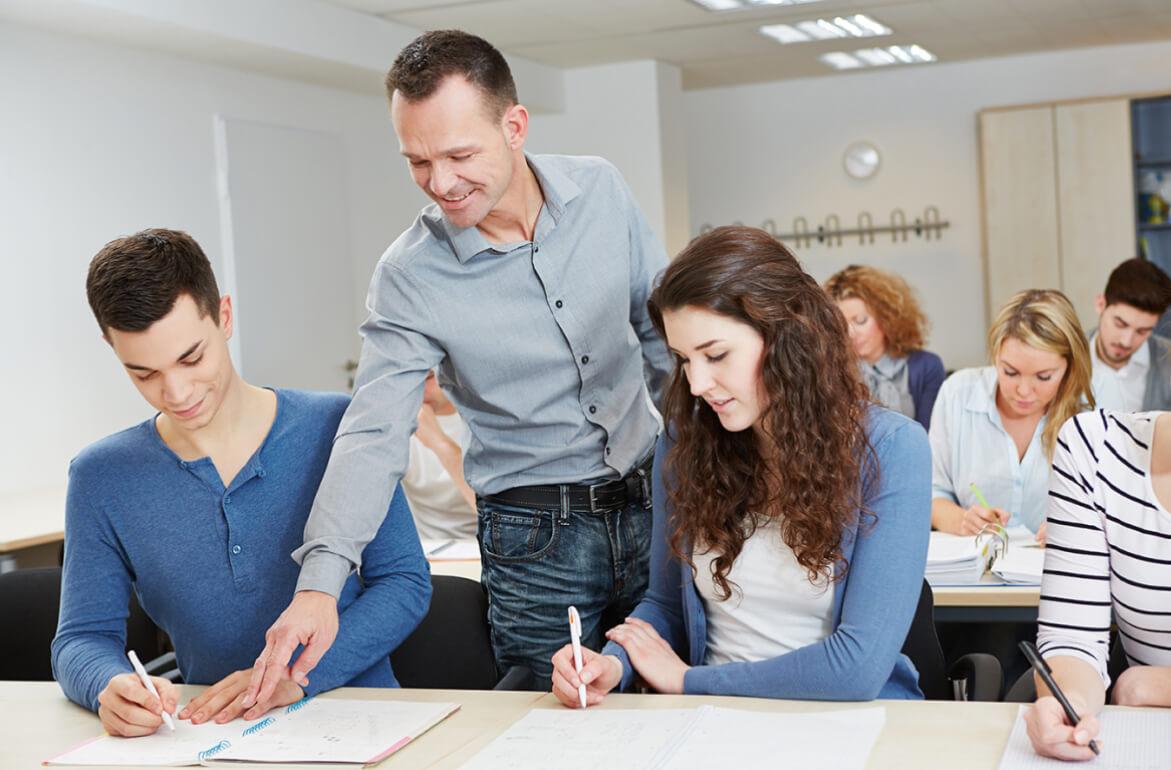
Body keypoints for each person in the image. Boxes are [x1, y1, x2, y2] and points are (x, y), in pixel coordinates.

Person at [245, 30, 672, 702]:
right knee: (552, 726)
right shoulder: (409, 275)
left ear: (515, 126)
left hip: (654, 500)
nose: (440, 182)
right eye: (416, 161)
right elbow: (374, 431)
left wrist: (711, 471)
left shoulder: (600, 191)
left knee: (678, 702)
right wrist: (320, 586)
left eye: (459, 154)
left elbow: (662, 341)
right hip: (535, 536)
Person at [52, 229, 430, 737]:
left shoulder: (337, 428)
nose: (177, 392)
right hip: (217, 735)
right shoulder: (102, 477)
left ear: (224, 316)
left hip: (364, 725)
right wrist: (108, 684)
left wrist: (295, 678)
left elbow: (403, 582)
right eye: (143, 374)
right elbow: (80, 638)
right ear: (111, 347)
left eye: (192, 358)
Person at [549, 226, 931, 705]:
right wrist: (614, 663)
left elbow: (857, 667)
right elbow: (665, 605)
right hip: (710, 721)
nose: (697, 384)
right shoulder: (686, 443)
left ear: (787, 336)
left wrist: (687, 681)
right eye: (684, 360)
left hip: (843, 726)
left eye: (716, 355)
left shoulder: (891, 449)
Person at [1025, 408, 1171, 760]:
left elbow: (1143, 688)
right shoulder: (1096, 447)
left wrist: (1157, 685)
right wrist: (1071, 702)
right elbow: (1072, 637)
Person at [929, 289, 1093, 539]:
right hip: (970, 573)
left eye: (1043, 377)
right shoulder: (958, 394)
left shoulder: (1087, 417)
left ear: (1069, 368)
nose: (1024, 391)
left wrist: (1075, 530)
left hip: (1051, 572)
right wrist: (963, 521)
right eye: (1010, 372)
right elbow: (932, 493)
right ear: (995, 355)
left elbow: (1103, 510)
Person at [824, 264, 946, 429]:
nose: (851, 333)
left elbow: (929, 437)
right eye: (842, 325)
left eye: (860, 321)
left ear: (886, 318)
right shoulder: (831, 372)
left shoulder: (927, 366)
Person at [1089, 258, 1171, 413]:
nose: (1126, 342)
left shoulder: (1168, 360)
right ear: (1101, 304)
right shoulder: (1065, 358)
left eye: (1142, 331)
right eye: (1120, 324)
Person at [402, 370, 477, 541]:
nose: (419, 389)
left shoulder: (483, 422)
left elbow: (496, 513)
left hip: (487, 550)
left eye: (427, 378)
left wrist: (440, 444)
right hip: (426, 553)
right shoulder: (400, 428)